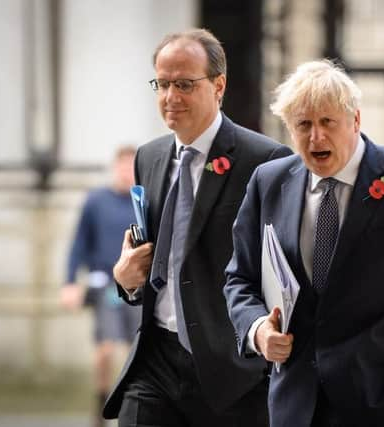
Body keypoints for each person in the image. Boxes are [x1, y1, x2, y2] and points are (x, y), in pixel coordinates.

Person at [223, 60, 384, 427]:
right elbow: (240, 278)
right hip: (296, 407)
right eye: (303, 125)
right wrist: (258, 329)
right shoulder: (268, 182)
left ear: (355, 120)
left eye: (327, 122)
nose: (316, 138)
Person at [102, 28, 292, 427]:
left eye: (185, 84)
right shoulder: (149, 157)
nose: (171, 97)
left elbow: (281, 266)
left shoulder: (264, 159)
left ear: (218, 85)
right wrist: (126, 279)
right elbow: (152, 255)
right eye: (163, 83)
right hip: (154, 361)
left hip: (230, 371)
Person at [62, 145, 141, 427]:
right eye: (122, 166)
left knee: (139, 351)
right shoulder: (96, 201)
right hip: (105, 284)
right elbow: (78, 244)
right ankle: (101, 402)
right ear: (114, 168)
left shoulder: (142, 203)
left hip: (137, 287)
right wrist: (70, 282)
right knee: (105, 349)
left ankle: (135, 406)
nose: (126, 172)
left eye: (131, 167)